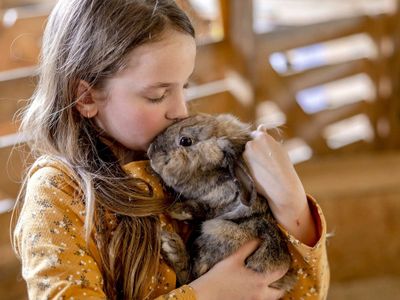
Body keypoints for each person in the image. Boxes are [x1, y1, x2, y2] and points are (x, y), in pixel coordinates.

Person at [11, 0, 329, 299]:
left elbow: (298, 291)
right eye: (157, 95)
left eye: (184, 87)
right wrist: (206, 294)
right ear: (87, 98)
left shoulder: (196, 164)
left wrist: (293, 206)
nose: (181, 110)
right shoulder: (59, 193)